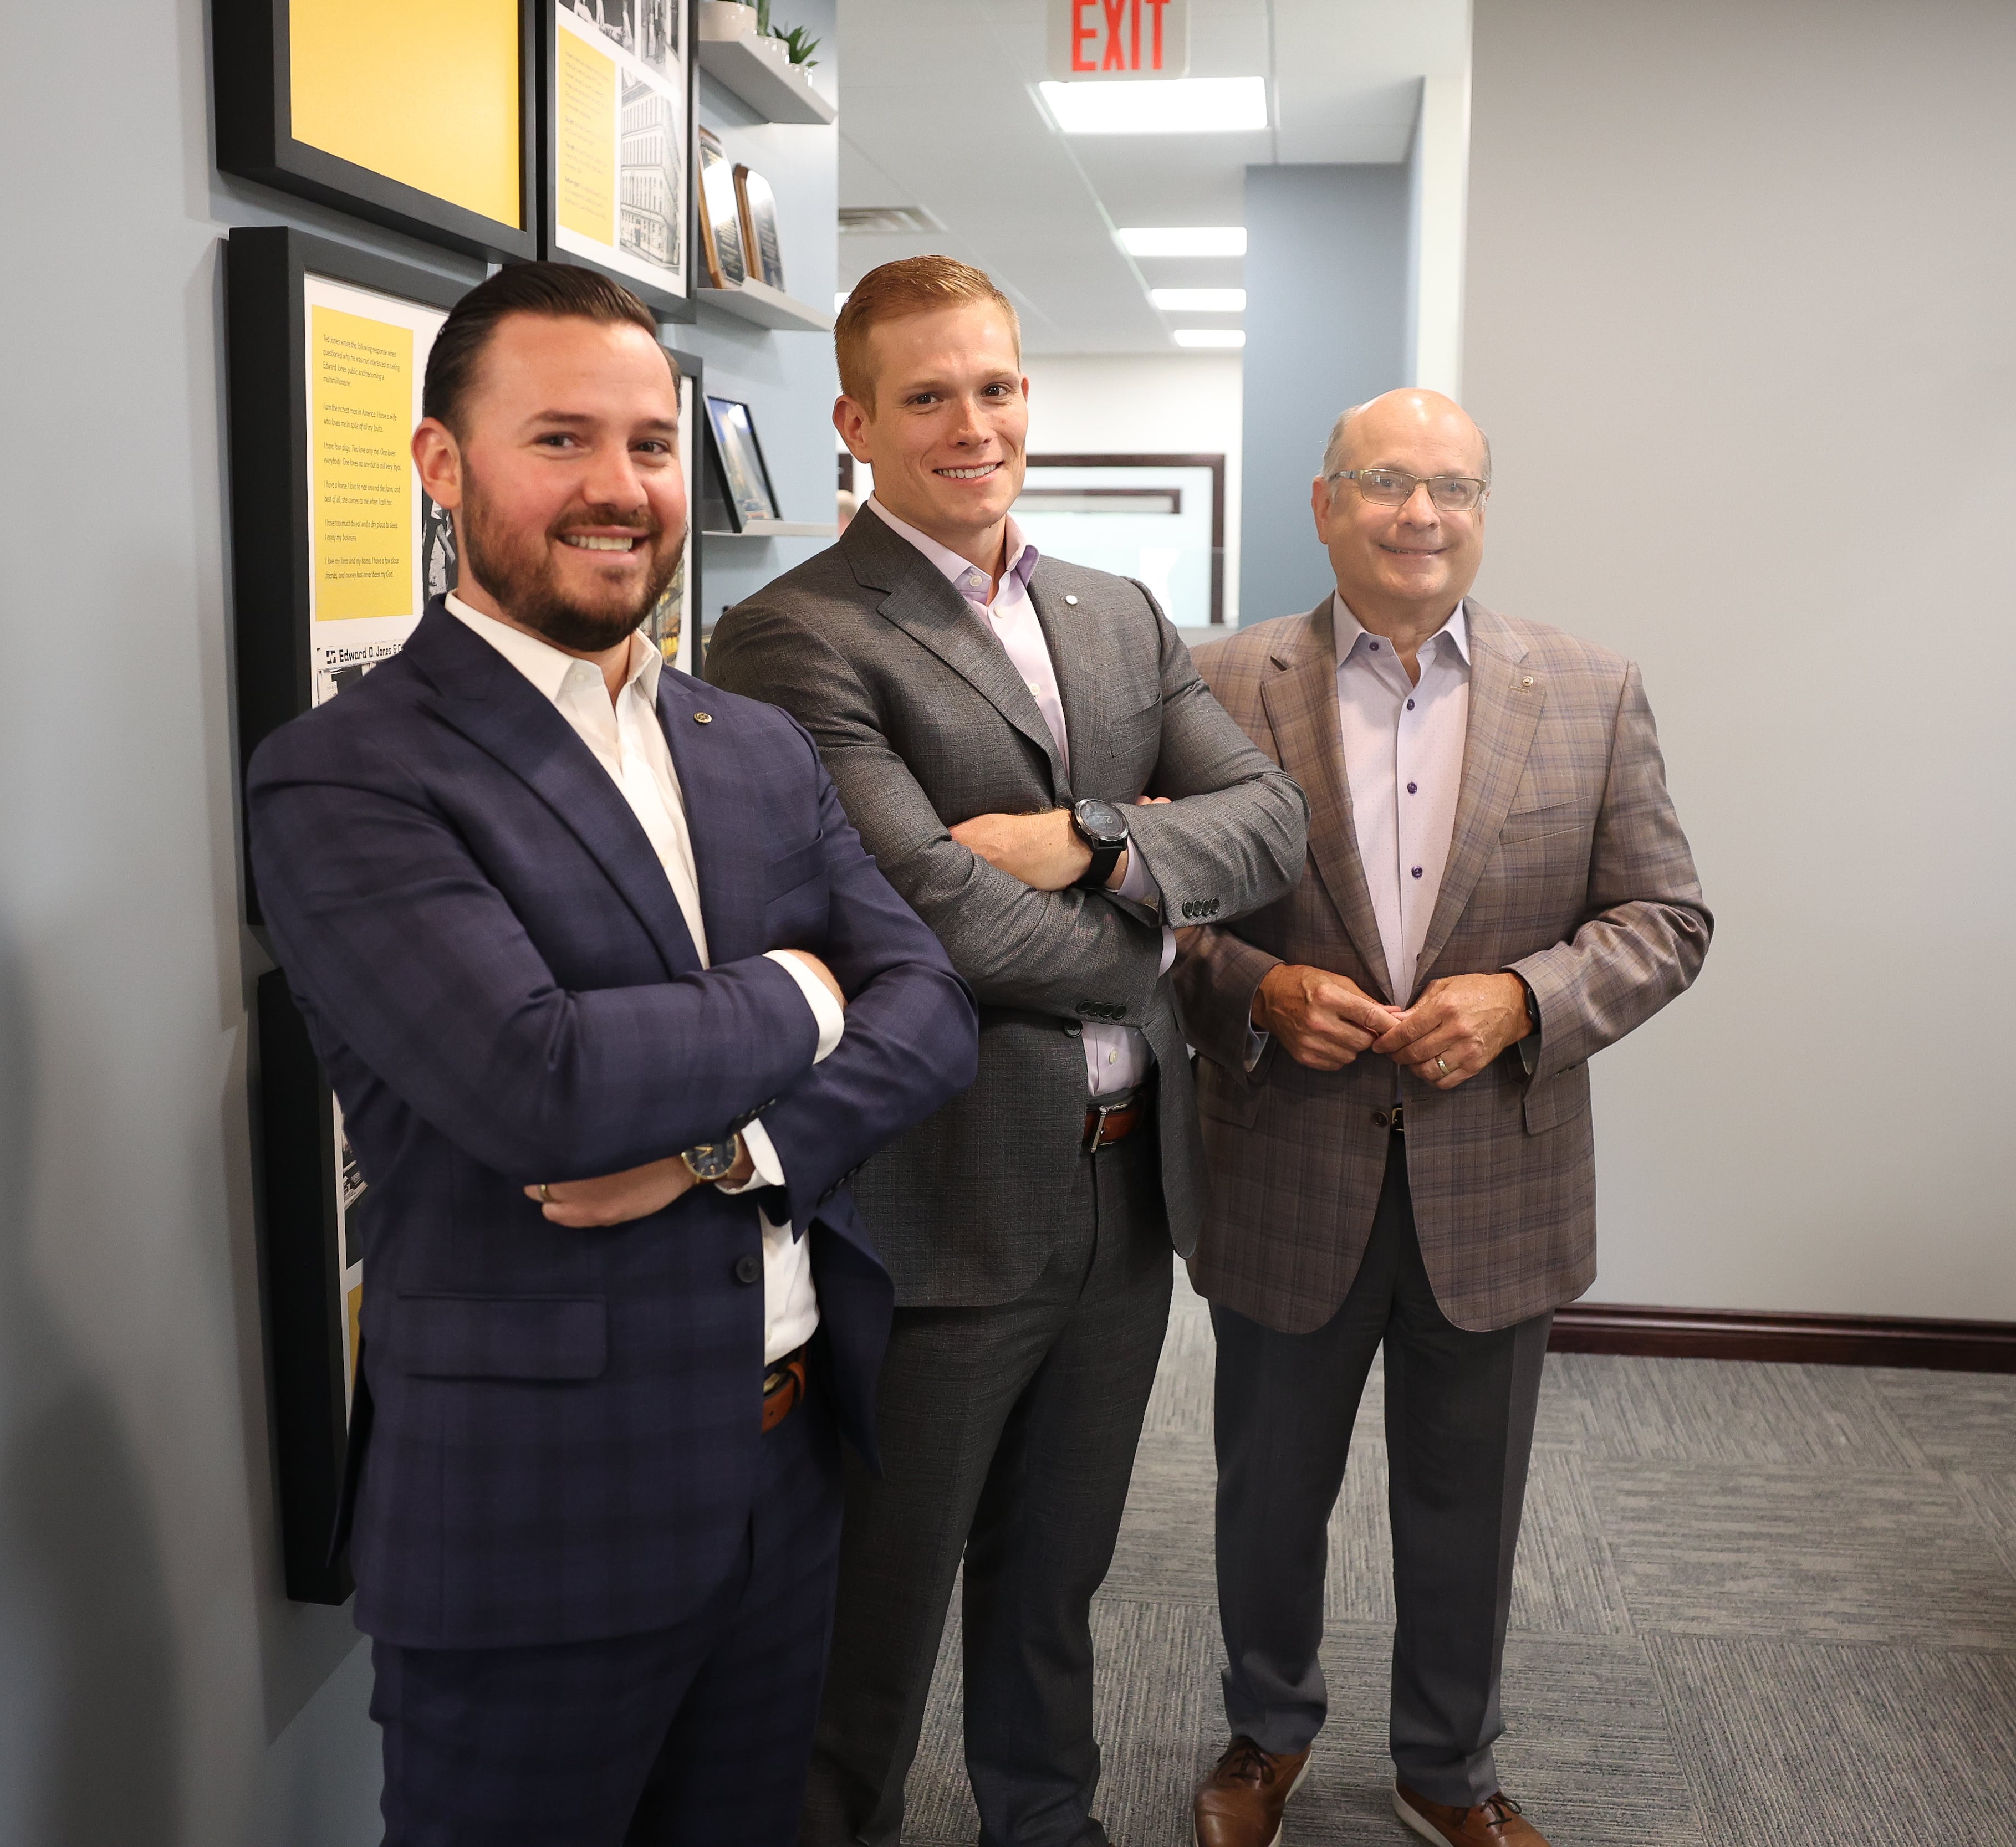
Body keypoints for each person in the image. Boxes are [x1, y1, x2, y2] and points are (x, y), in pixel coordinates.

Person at [244, 262, 979, 1847]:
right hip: (538, 1517)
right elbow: (541, 1084)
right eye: (560, 439)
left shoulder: (750, 743)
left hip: (786, 1476)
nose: (620, 488)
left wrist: (738, 1147)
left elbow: (932, 1004)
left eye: (650, 444)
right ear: (443, 465)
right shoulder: (349, 775)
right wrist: (799, 989)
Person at [707, 255, 1309, 1847]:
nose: (973, 425)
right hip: (939, 1211)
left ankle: (1048, 1826)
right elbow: (931, 923)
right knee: (878, 1616)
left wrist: (1087, 839)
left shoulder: (1112, 614)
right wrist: (1161, 932)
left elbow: (1274, 824)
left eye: (998, 387)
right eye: (928, 397)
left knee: (1057, 1581)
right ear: (854, 422)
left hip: (1122, 1203)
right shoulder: (793, 638)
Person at [1173, 390, 1711, 1847]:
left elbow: (1667, 919)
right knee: (1266, 1495)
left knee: (1468, 1513)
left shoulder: (1591, 689)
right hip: (1284, 1166)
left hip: (1499, 1181)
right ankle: (1264, 1735)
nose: (1423, 515)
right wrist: (1261, 987)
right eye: (1390, 483)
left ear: (1484, 509)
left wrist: (1526, 1002)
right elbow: (1155, 920)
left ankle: (1445, 1769)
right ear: (1325, 502)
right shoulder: (1215, 682)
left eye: (1454, 489)